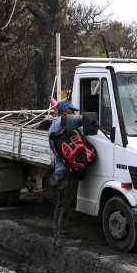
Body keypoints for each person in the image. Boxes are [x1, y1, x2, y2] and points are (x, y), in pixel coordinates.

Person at [49, 100, 84, 246]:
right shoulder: (64, 121)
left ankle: (57, 235)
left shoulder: (54, 124)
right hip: (67, 171)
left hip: (60, 170)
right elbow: (84, 119)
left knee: (61, 203)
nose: (73, 113)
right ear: (65, 111)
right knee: (66, 204)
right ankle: (61, 238)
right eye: (71, 110)